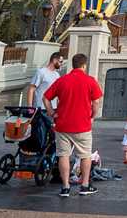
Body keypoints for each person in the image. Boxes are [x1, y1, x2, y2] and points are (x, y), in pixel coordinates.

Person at [42, 53, 102, 198]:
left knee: (63, 155)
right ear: (84, 65)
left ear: (73, 65)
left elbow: (45, 97)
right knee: (85, 155)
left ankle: (65, 187)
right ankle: (85, 185)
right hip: (82, 125)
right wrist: (93, 116)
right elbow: (96, 102)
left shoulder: (62, 80)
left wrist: (51, 112)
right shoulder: (90, 80)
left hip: (62, 125)